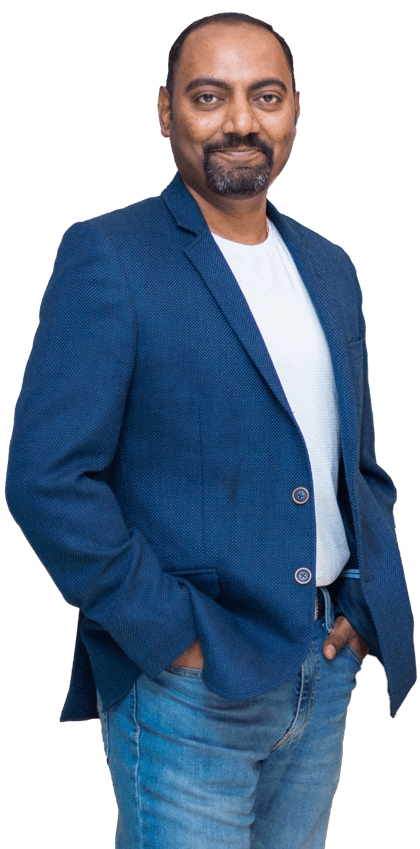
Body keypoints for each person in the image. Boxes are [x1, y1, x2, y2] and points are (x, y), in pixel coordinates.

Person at [5, 11, 416, 849]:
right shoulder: (110, 255)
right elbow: (48, 478)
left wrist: (363, 608)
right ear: (166, 111)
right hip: (190, 685)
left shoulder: (331, 266)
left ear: (294, 110)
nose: (239, 121)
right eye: (208, 96)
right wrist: (169, 633)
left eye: (265, 96)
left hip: (322, 668)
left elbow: (355, 464)